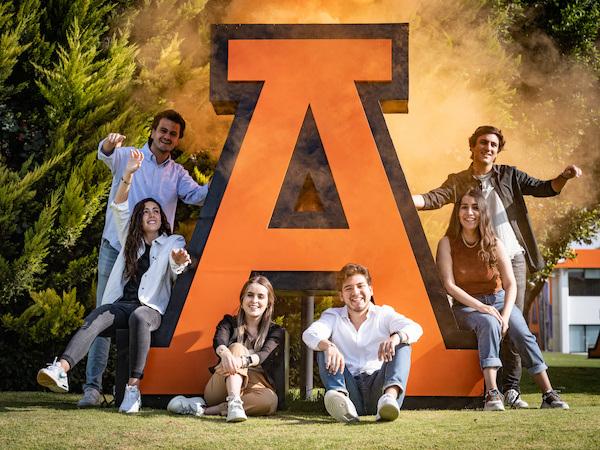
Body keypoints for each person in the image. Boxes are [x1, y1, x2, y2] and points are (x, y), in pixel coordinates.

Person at [412, 125, 581, 408]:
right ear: (473, 147)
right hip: (474, 258)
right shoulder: (459, 181)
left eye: (493, 144)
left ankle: (511, 389)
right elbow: (434, 198)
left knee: (513, 324)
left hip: (510, 256)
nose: (487, 148)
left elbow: (544, 188)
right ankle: (492, 390)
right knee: (492, 322)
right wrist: (405, 198)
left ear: (497, 150)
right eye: (482, 143)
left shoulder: (510, 176)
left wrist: (563, 177)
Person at [37, 149, 192, 414]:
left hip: (150, 310)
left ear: (162, 218)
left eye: (156, 210)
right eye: (145, 211)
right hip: (122, 306)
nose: (152, 214)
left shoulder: (172, 242)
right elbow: (119, 205)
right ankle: (60, 369)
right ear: (139, 220)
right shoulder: (128, 241)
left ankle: (133, 390)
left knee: (139, 318)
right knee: (97, 314)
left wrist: (179, 260)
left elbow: (178, 268)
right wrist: (129, 173)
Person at [80, 110, 209, 407]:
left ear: (177, 140)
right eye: (163, 130)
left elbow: (198, 196)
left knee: (139, 318)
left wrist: (224, 174)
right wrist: (110, 144)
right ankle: (92, 388)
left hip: (152, 257)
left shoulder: (177, 173)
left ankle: (124, 389)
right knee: (103, 314)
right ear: (152, 131)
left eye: (173, 134)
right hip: (117, 247)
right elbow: (105, 154)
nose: (167, 137)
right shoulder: (130, 156)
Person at [436, 188, 569, 410]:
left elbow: (510, 284)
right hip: (467, 306)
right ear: (457, 212)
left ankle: (548, 394)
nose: (470, 213)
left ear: (483, 213)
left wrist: (506, 317)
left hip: (498, 300)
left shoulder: (494, 242)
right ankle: (492, 394)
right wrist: (480, 307)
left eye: (475, 208)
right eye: (464, 207)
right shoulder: (447, 243)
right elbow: (449, 285)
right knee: (488, 323)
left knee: (522, 333)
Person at [302, 263, 423, 423]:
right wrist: (329, 346)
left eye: (360, 286)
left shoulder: (383, 314)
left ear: (371, 290)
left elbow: (415, 328)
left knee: (403, 344)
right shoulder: (333, 316)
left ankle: (389, 399)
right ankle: (342, 401)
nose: (355, 292)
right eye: (348, 288)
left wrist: (396, 337)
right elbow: (310, 334)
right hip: (349, 389)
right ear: (341, 295)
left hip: (379, 388)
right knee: (324, 347)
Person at [167, 276, 284, 422]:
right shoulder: (229, 322)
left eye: (260, 296)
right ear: (242, 300)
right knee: (236, 347)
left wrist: (241, 361)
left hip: (256, 386)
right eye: (250, 295)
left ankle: (202, 410)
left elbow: (263, 354)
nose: (254, 300)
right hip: (222, 384)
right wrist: (225, 354)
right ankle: (234, 401)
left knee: (270, 402)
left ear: (268, 303)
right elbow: (219, 340)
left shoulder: (275, 331)